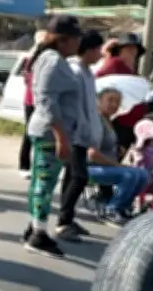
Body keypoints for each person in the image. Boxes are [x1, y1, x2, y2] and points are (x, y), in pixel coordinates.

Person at [23, 15, 83, 257]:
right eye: (77, 38)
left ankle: (33, 227)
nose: (79, 43)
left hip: (51, 131)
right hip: (50, 133)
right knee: (44, 185)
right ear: (64, 40)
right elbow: (47, 100)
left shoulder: (55, 59)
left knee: (41, 181)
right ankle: (38, 234)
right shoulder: (53, 61)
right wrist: (61, 137)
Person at [55, 29, 104, 241]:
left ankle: (67, 217)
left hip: (83, 134)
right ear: (89, 49)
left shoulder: (87, 71)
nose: (100, 54)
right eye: (98, 50)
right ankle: (63, 222)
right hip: (74, 132)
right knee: (79, 176)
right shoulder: (75, 71)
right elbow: (74, 105)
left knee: (72, 176)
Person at [86, 88, 150, 225]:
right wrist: (117, 165)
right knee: (130, 175)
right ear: (98, 101)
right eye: (110, 100)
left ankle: (123, 207)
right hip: (89, 168)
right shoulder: (96, 121)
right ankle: (111, 210)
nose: (114, 105)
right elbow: (92, 154)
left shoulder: (109, 121)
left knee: (143, 174)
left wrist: (118, 148)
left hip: (106, 167)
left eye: (117, 102)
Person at [95, 33, 148, 149]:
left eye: (134, 50)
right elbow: (98, 78)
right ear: (120, 50)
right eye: (128, 49)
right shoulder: (115, 63)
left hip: (131, 123)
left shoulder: (131, 70)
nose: (133, 53)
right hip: (120, 122)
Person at [18, 30, 47, 179]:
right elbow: (28, 79)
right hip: (31, 101)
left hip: (40, 100)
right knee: (29, 132)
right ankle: (24, 165)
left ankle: (39, 164)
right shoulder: (32, 58)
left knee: (43, 134)